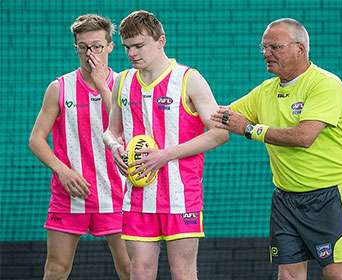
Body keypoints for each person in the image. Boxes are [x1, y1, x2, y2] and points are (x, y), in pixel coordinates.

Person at [211, 18, 342, 280]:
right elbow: (219, 116)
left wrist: (251, 129)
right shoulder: (266, 91)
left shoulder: (324, 84)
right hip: (286, 199)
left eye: (275, 47)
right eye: (263, 47)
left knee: (338, 274)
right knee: (288, 275)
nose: (266, 53)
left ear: (300, 49)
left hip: (330, 196)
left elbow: (304, 136)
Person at [103, 10, 228, 280]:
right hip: (137, 196)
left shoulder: (188, 78)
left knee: (182, 273)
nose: (132, 53)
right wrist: (115, 148)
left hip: (181, 197)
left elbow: (220, 134)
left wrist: (164, 156)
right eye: (127, 47)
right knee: (140, 272)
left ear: (161, 40)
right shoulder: (122, 82)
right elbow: (110, 132)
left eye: (139, 45)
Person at [28, 14, 130, 280]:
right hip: (70, 194)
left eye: (96, 46)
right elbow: (36, 140)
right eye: (83, 46)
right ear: (76, 47)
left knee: (131, 269)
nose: (90, 53)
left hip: (118, 194)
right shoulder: (59, 88)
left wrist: (100, 84)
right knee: (57, 269)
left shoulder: (126, 85)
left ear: (110, 46)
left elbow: (123, 128)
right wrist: (62, 170)